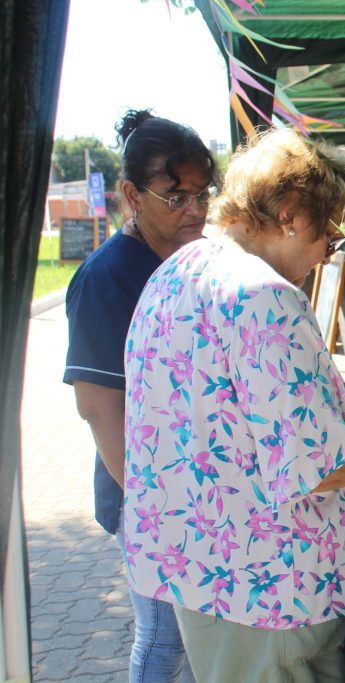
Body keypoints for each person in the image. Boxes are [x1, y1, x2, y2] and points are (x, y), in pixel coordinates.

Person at [122, 129, 345, 682]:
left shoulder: (175, 273)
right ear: (290, 213)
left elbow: (231, 417)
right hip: (276, 592)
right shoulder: (263, 295)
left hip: (209, 575)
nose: (327, 252)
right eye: (328, 235)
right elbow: (322, 466)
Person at [64, 109, 216, 682]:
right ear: (132, 195)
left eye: (202, 194)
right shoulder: (106, 277)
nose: (195, 210)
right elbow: (98, 407)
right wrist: (152, 504)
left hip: (198, 484)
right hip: (148, 492)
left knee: (198, 629)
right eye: (175, 197)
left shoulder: (190, 258)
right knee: (163, 636)